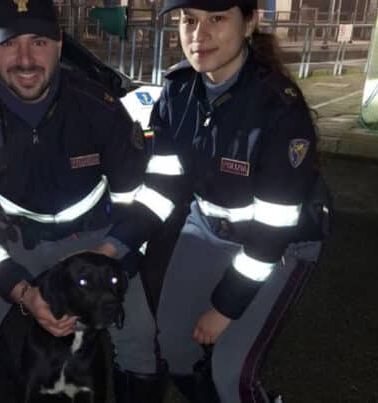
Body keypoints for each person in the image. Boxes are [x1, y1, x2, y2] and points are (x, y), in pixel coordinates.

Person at [96, 0, 330, 402]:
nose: (198, 35)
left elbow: (271, 233)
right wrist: (112, 246)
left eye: (217, 19)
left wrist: (224, 308)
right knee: (173, 346)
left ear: (250, 22)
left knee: (231, 373)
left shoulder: (279, 108)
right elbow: (163, 188)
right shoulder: (178, 89)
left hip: (280, 245)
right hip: (207, 227)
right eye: (189, 20)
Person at [0, 0, 162, 399]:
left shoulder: (100, 107)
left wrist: (115, 256)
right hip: (16, 243)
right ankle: (24, 379)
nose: (25, 60)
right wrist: (22, 292)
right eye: (10, 44)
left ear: (60, 43)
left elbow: (144, 200)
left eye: (39, 41)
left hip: (96, 240)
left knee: (139, 346)